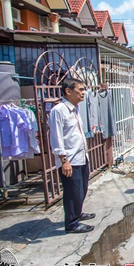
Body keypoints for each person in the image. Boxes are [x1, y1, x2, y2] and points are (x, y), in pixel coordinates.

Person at [49, 78, 95, 234]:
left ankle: (78, 213)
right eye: (80, 90)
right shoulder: (59, 110)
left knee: (81, 189)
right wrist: (64, 161)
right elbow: (56, 137)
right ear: (68, 91)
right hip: (69, 160)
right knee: (72, 192)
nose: (83, 93)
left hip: (81, 157)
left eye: (83, 90)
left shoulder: (75, 109)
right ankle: (71, 223)